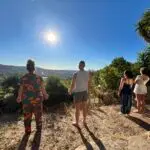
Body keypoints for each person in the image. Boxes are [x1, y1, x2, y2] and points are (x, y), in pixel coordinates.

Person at [16, 59, 48, 134]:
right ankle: (39, 131)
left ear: (27, 68)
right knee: (38, 116)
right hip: (37, 100)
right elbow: (43, 89)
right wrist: (45, 95)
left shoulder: (23, 78)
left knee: (27, 117)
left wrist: (19, 97)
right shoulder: (39, 78)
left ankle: (27, 131)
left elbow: (20, 89)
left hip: (26, 101)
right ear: (34, 68)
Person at [69, 61, 90, 127]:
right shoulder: (87, 73)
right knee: (84, 107)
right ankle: (84, 121)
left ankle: (77, 123)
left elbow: (72, 84)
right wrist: (87, 91)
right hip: (85, 92)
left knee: (77, 109)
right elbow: (88, 83)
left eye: (79, 64)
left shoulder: (76, 74)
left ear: (81, 65)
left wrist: (70, 91)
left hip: (78, 92)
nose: (79, 65)